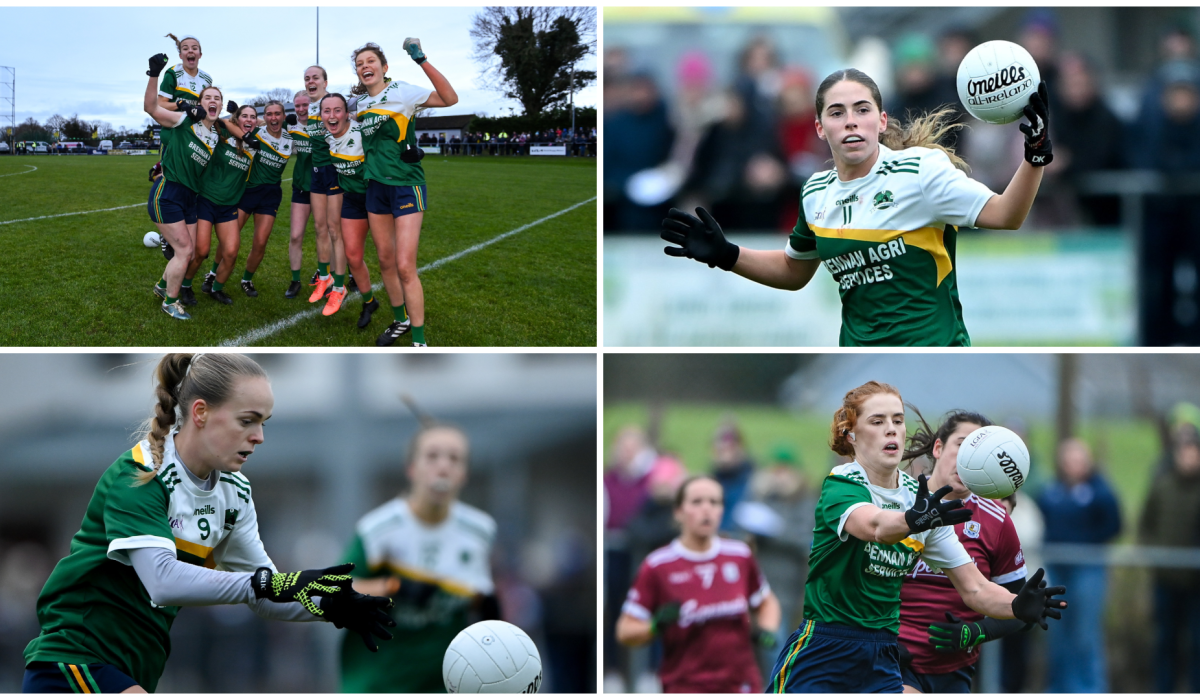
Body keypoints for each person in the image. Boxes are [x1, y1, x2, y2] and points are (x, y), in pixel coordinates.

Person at [21, 353, 393, 693]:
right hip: (74, 658)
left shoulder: (234, 493)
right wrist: (267, 583)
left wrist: (331, 606)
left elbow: (266, 596)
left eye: (263, 422)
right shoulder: (140, 476)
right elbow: (163, 581)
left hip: (135, 669)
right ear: (200, 413)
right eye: (247, 421)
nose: (259, 437)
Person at [660, 69, 1054, 346]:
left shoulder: (921, 170)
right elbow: (794, 270)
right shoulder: (815, 192)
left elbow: (1006, 215)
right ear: (820, 128)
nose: (851, 122)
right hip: (863, 365)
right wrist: (727, 254)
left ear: (881, 121)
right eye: (837, 113)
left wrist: (1035, 154)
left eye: (862, 110)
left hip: (933, 348)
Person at [766, 381, 1067, 693]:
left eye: (897, 420)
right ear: (851, 435)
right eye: (877, 421)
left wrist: (1017, 606)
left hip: (883, 657)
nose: (891, 429)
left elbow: (975, 588)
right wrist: (913, 520)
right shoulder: (843, 483)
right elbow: (875, 527)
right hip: (826, 647)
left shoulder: (921, 500)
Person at [339, 422, 498, 693]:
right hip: (379, 681)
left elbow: (479, 598)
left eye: (454, 458)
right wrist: (393, 587)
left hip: (444, 683)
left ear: (464, 474)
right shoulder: (377, 530)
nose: (443, 466)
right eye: (432, 456)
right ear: (411, 469)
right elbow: (336, 589)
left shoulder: (480, 530)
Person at [898, 410, 1032, 694]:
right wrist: (875, 639)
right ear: (938, 447)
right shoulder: (896, 503)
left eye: (979, 449)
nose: (969, 457)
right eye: (963, 444)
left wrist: (975, 632)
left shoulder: (996, 520)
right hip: (891, 662)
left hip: (954, 669)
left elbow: (1019, 609)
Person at [616, 476, 782, 693]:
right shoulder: (658, 565)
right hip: (685, 686)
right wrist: (654, 626)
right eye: (697, 502)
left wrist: (767, 629)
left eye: (714, 503)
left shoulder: (739, 555)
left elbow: (766, 601)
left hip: (740, 683)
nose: (707, 510)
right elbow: (625, 630)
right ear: (678, 512)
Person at [352, 40, 457, 346]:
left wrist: (421, 59)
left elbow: (450, 99)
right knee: (385, 259)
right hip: (376, 187)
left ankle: (419, 341)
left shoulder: (402, 90)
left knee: (404, 265)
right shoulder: (360, 106)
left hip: (406, 185)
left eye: (370, 61)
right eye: (359, 64)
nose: (365, 67)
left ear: (384, 67)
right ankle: (401, 321)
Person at [1035, 437, 1120, 693]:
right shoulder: (1051, 492)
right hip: (1057, 569)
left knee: (1085, 634)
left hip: (1089, 569)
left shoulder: (1100, 492)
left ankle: (1089, 688)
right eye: (1068, 459)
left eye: (1078, 459)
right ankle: (1058, 688)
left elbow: (1114, 526)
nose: (1073, 464)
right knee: (1058, 633)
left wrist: (1083, 543)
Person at [144, 54, 220, 320]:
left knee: (190, 251)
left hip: (191, 198)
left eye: (217, 99)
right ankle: (171, 302)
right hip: (168, 194)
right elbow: (151, 108)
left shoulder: (215, 134)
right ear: (200, 103)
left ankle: (162, 286)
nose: (213, 102)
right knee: (185, 251)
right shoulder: (183, 121)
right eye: (208, 98)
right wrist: (154, 74)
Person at [1141, 422, 1200, 692]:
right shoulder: (1162, 485)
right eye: (1183, 451)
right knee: (1165, 641)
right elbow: (1145, 525)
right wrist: (1156, 555)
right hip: (1165, 579)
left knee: (1196, 643)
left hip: (1196, 582)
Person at [320, 92, 382, 325]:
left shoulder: (362, 133)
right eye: (327, 111)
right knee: (353, 257)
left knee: (389, 257)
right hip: (352, 200)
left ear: (347, 113)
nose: (332, 115)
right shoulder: (328, 138)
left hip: (377, 198)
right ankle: (369, 302)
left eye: (338, 110)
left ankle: (404, 311)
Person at [188, 104, 257, 306]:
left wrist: (253, 122)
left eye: (253, 117)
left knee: (231, 253)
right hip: (206, 200)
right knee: (200, 251)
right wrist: (233, 117)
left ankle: (215, 288)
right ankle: (185, 285)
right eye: (245, 116)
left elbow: (266, 123)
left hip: (229, 206)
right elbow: (221, 120)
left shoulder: (255, 142)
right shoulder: (223, 133)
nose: (249, 119)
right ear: (237, 118)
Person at [235, 100, 293, 297]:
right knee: (231, 239)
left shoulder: (290, 135)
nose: (273, 118)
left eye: (278, 114)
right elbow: (234, 125)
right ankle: (212, 274)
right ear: (264, 117)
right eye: (269, 114)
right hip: (248, 191)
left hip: (271, 195)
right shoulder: (256, 133)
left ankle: (246, 279)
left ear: (284, 116)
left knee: (260, 242)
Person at [303, 65, 349, 308]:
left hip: (335, 172)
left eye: (315, 77)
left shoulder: (332, 105)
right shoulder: (312, 108)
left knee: (334, 230)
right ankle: (324, 277)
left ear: (325, 81)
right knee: (319, 227)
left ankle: (340, 287)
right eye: (307, 78)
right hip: (317, 172)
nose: (311, 81)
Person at [285, 91, 313, 299]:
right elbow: (267, 121)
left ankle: (330, 275)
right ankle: (295, 280)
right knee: (295, 236)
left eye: (306, 105)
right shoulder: (291, 125)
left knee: (332, 234)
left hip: (327, 187)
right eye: (298, 106)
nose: (302, 110)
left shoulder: (324, 122)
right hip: (301, 186)